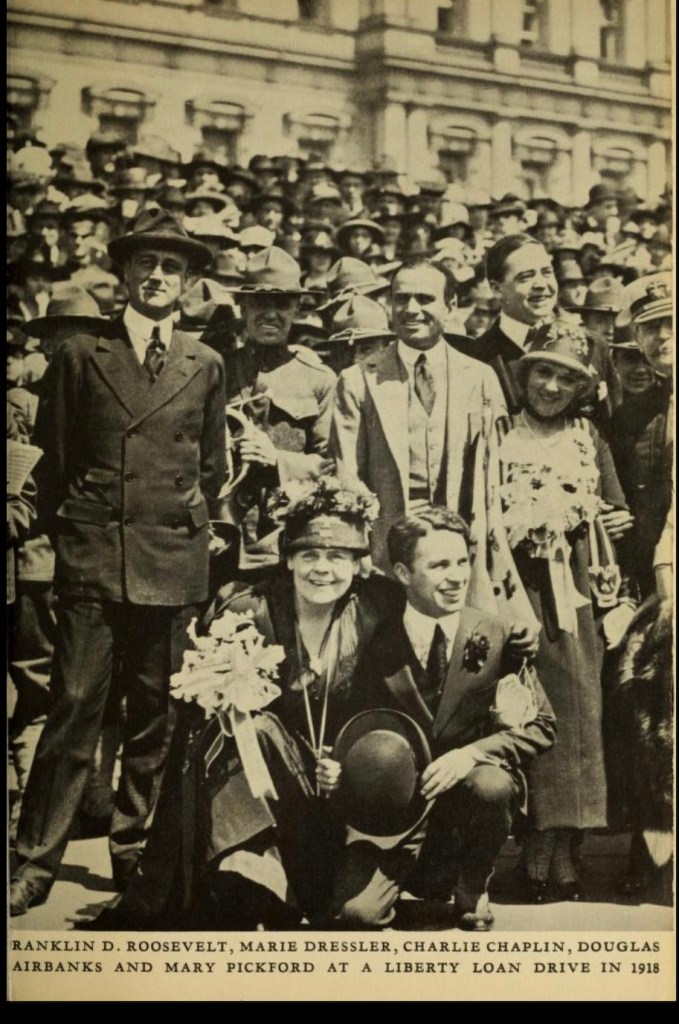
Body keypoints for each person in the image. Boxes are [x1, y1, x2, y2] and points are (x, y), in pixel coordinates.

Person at [9, 208, 227, 916]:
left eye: (172, 269)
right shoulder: (80, 355)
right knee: (74, 708)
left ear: (190, 283)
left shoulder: (205, 363)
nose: (157, 278)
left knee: (155, 715)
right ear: (124, 277)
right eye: (145, 266)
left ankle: (135, 852)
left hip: (172, 556)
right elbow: (58, 458)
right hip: (97, 554)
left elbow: (211, 465)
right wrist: (77, 539)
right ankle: (34, 860)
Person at [83, 474, 401, 930]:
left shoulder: (378, 610)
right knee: (239, 725)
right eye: (308, 554)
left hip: (342, 793)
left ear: (357, 565)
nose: (322, 569)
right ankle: (250, 867)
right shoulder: (246, 609)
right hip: (265, 789)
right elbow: (202, 713)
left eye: (337, 557)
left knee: (358, 915)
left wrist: (350, 764)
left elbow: (392, 705)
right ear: (287, 560)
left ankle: (296, 882)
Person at [325, 506, 555, 930]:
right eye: (438, 565)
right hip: (394, 819)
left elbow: (542, 727)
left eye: (462, 562)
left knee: (492, 784)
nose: (456, 576)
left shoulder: (497, 634)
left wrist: (472, 754)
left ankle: (472, 882)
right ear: (402, 572)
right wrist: (335, 766)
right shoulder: (374, 641)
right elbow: (344, 726)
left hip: (466, 810)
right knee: (355, 915)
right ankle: (395, 875)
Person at [498, 318, 634, 902]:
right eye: (543, 372)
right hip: (519, 583)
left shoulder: (588, 438)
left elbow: (616, 508)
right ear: (526, 375)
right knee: (529, 707)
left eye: (565, 379)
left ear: (581, 388)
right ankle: (534, 844)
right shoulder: (500, 431)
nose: (551, 387)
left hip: (576, 588)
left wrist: (612, 519)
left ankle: (566, 849)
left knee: (580, 710)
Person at [330, 258, 507, 572]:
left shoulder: (480, 378)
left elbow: (495, 473)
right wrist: (361, 549)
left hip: (462, 550)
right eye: (401, 299)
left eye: (425, 299)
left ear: (450, 306)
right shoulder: (358, 380)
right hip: (384, 554)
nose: (411, 309)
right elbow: (348, 475)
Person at [220, 246, 337, 567]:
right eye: (259, 302)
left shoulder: (320, 380)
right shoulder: (215, 371)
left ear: (298, 309)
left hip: (288, 538)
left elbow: (333, 465)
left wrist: (278, 461)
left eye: (282, 303)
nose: (270, 314)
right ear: (241, 306)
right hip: (222, 534)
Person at [609, 273, 673, 599]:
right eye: (650, 327)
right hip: (650, 575)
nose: (662, 336)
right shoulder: (631, 416)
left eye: (671, 322)